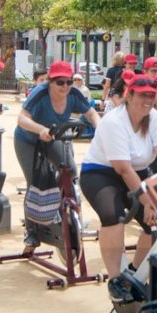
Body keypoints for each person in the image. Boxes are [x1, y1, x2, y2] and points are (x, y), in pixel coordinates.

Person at [78, 76, 157, 301]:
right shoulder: (114, 121)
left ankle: (134, 273)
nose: (148, 100)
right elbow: (123, 169)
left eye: (151, 95)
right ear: (129, 95)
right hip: (101, 173)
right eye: (142, 94)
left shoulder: (156, 119)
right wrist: (147, 201)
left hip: (139, 172)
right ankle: (115, 280)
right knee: (113, 216)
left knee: (156, 222)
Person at [14, 60, 101, 252]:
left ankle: (69, 214)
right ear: (50, 82)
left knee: (69, 170)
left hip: (53, 137)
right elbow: (21, 119)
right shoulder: (40, 94)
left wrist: (101, 131)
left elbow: (92, 114)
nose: (65, 86)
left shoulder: (74, 95)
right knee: (35, 183)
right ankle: (31, 232)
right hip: (28, 140)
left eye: (69, 82)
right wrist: (40, 129)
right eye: (60, 82)